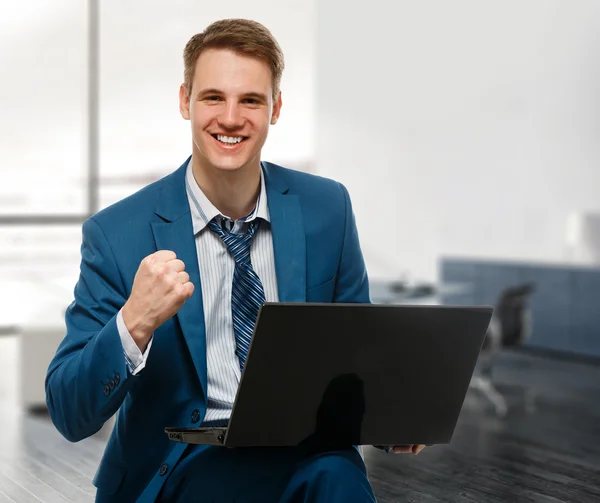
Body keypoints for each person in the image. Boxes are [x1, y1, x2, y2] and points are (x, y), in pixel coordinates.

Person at [45, 18, 425, 503]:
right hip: (183, 461)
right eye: (212, 97)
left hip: (306, 454)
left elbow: (358, 351)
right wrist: (132, 323)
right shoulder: (118, 233)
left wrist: (389, 419)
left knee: (340, 480)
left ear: (276, 108)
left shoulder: (327, 208)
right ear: (185, 102)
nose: (230, 117)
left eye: (250, 100)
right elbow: (67, 412)